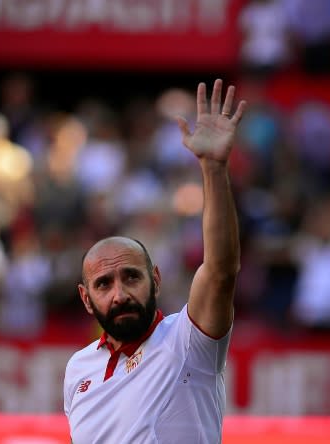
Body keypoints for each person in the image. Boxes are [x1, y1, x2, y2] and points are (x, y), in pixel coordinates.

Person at [63, 79, 247, 443]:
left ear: (156, 280)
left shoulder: (189, 342)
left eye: (131, 277)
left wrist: (213, 169)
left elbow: (221, 271)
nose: (120, 293)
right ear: (86, 299)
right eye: (104, 283)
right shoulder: (77, 370)